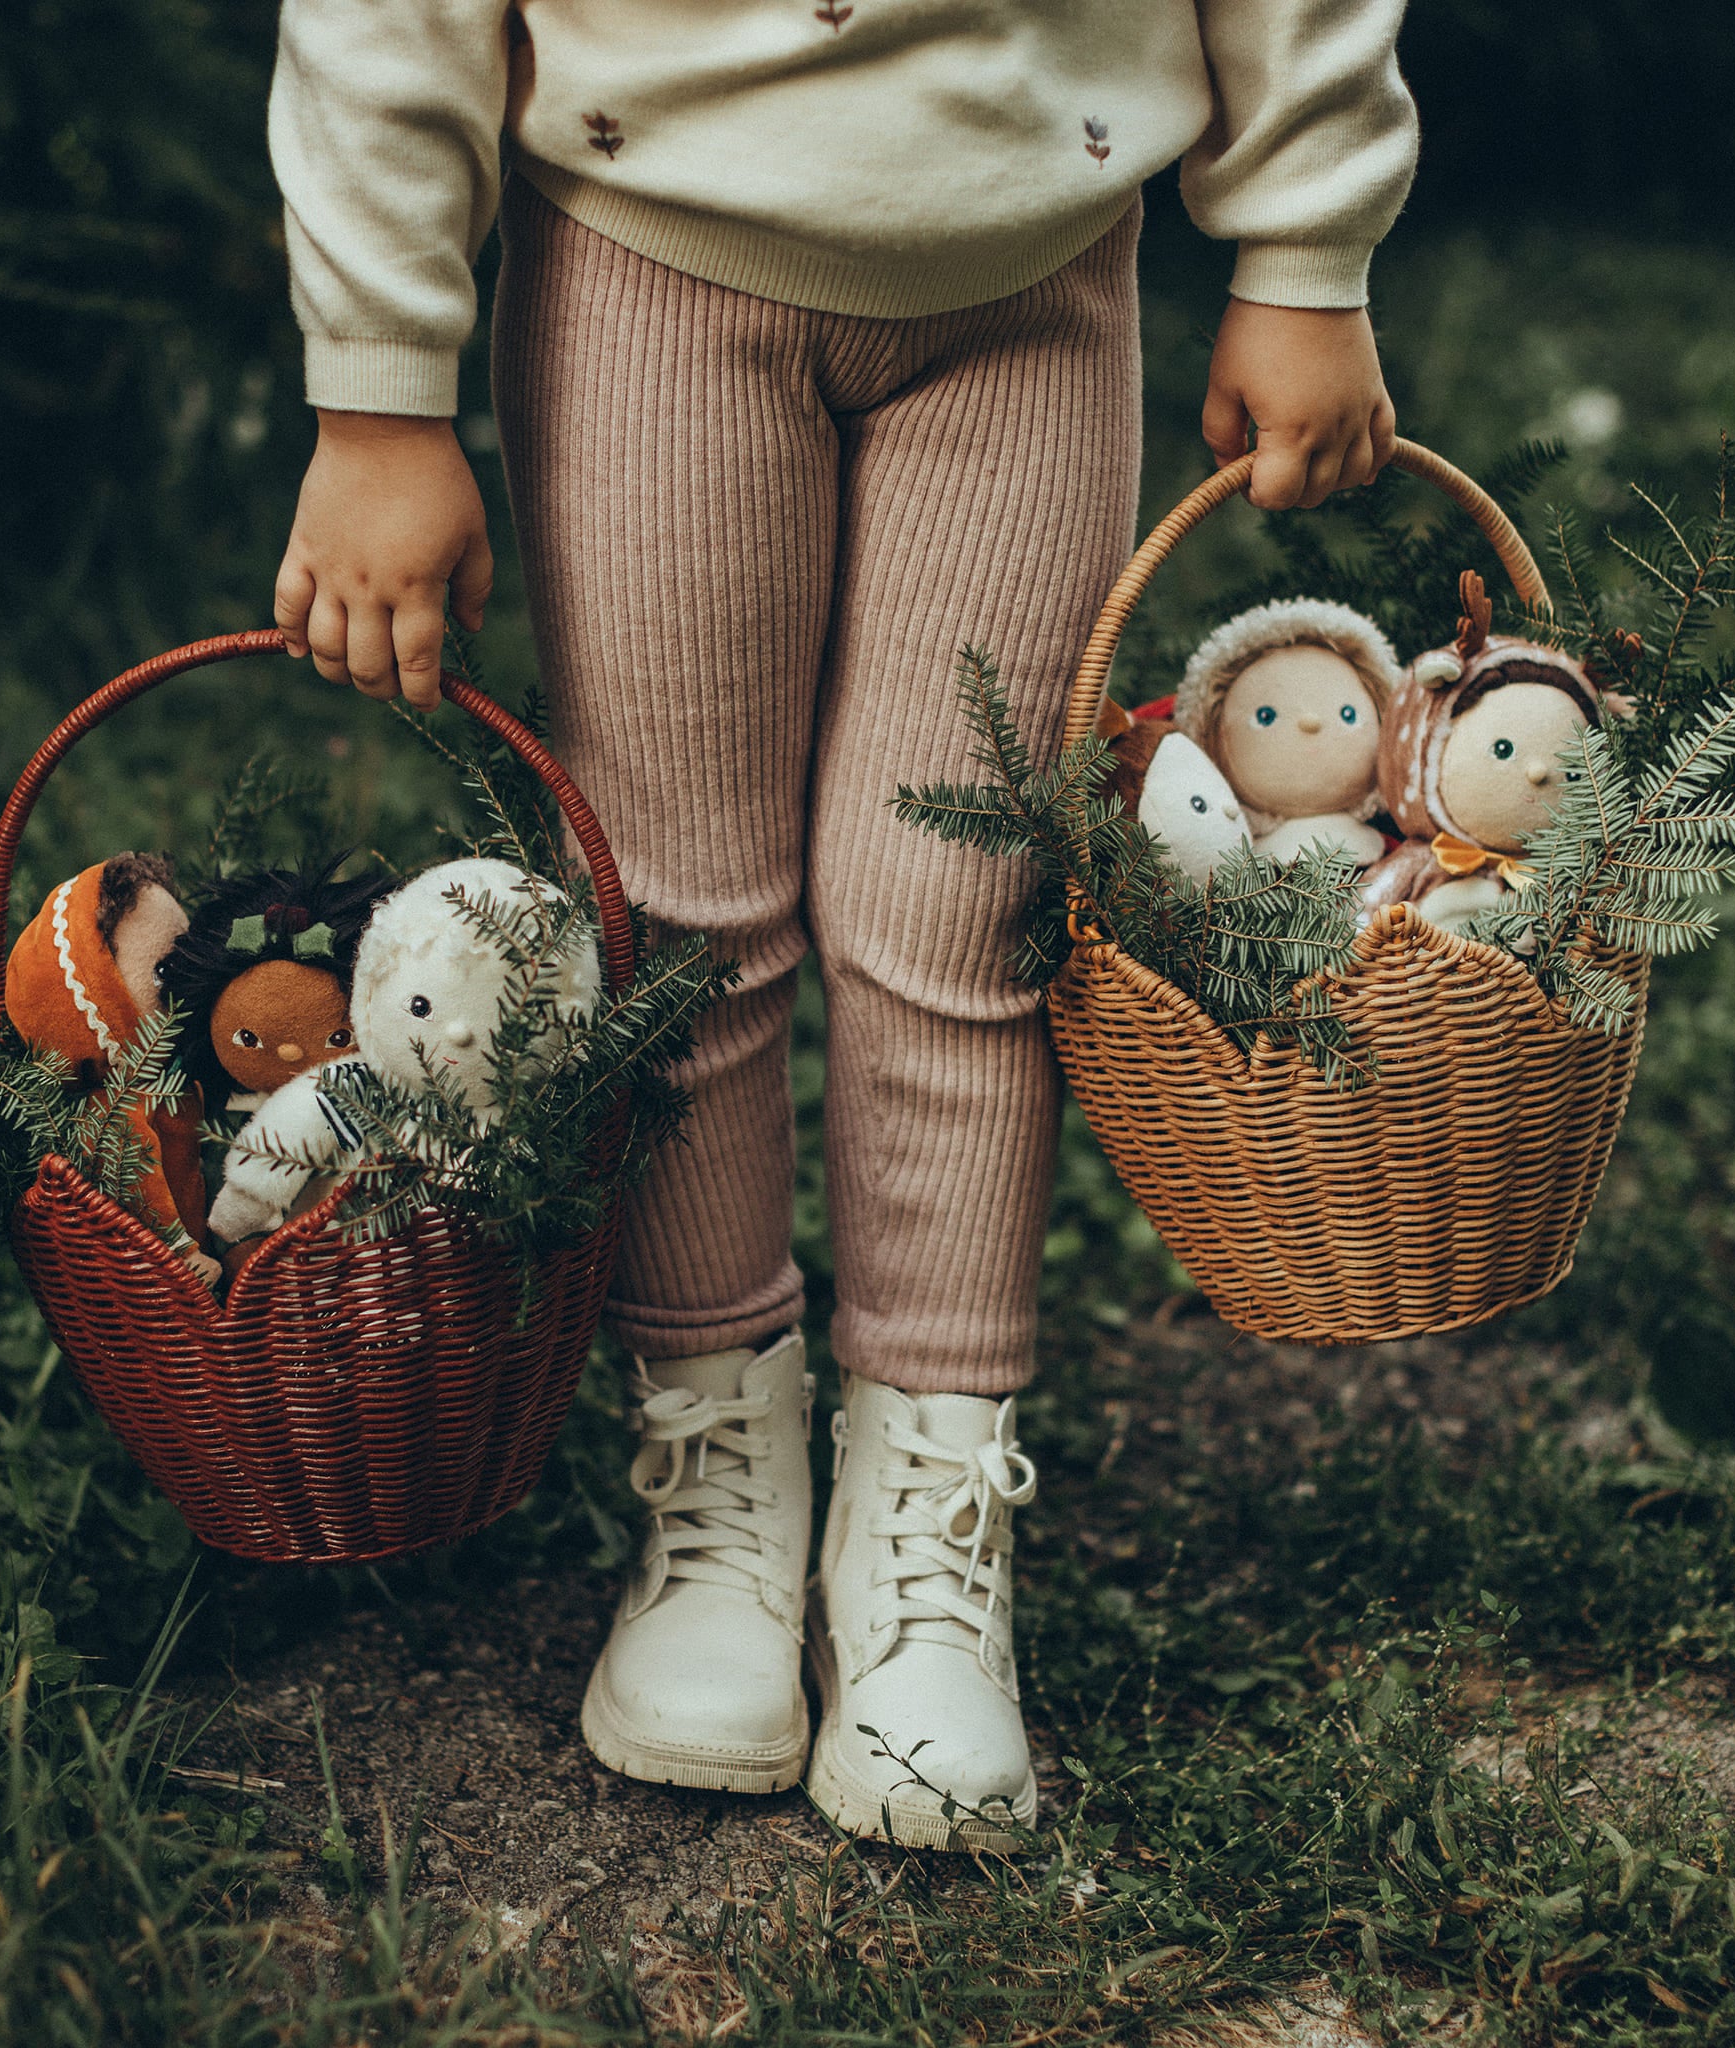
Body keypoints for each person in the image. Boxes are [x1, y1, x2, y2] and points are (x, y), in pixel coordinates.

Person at [268, 0, 1415, 1848]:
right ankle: (717, 1491)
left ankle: (931, 1517)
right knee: (679, 920)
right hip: (655, 254)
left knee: (962, 907)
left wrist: (1305, 225)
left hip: (1032, 262)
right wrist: (379, 382)